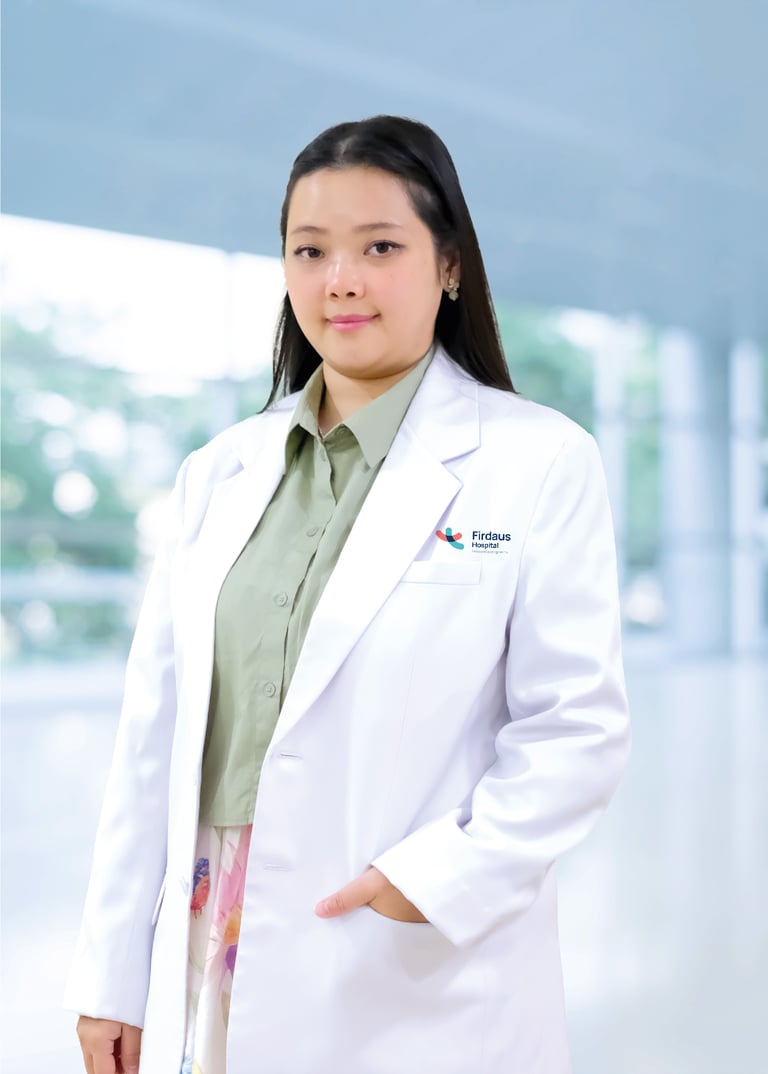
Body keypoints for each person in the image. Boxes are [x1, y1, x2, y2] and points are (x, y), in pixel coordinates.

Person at [65, 114, 631, 1074]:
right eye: (310, 250)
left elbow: (576, 728)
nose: (341, 280)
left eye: (380, 247)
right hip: (219, 929)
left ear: (449, 265)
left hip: (409, 944)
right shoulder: (220, 472)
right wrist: (111, 976)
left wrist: (436, 880)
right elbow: (152, 737)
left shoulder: (537, 460)